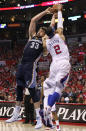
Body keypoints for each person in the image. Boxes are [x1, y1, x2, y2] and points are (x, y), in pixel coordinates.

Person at [5, 7, 51, 129]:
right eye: (40, 30)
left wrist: (46, 39)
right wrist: (45, 12)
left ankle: (39, 119)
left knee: (33, 92)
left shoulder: (44, 44)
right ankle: (15, 114)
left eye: (42, 31)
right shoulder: (32, 37)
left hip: (30, 67)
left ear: (44, 34)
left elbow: (46, 53)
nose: (40, 31)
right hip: (21, 65)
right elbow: (33, 20)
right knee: (19, 90)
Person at [43, 4, 71, 131]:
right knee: (59, 88)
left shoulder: (47, 42)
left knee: (49, 87)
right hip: (63, 63)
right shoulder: (59, 35)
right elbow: (60, 25)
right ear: (54, 32)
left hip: (53, 65)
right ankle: (48, 107)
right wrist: (59, 12)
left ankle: (47, 108)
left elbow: (49, 30)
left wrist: (52, 17)